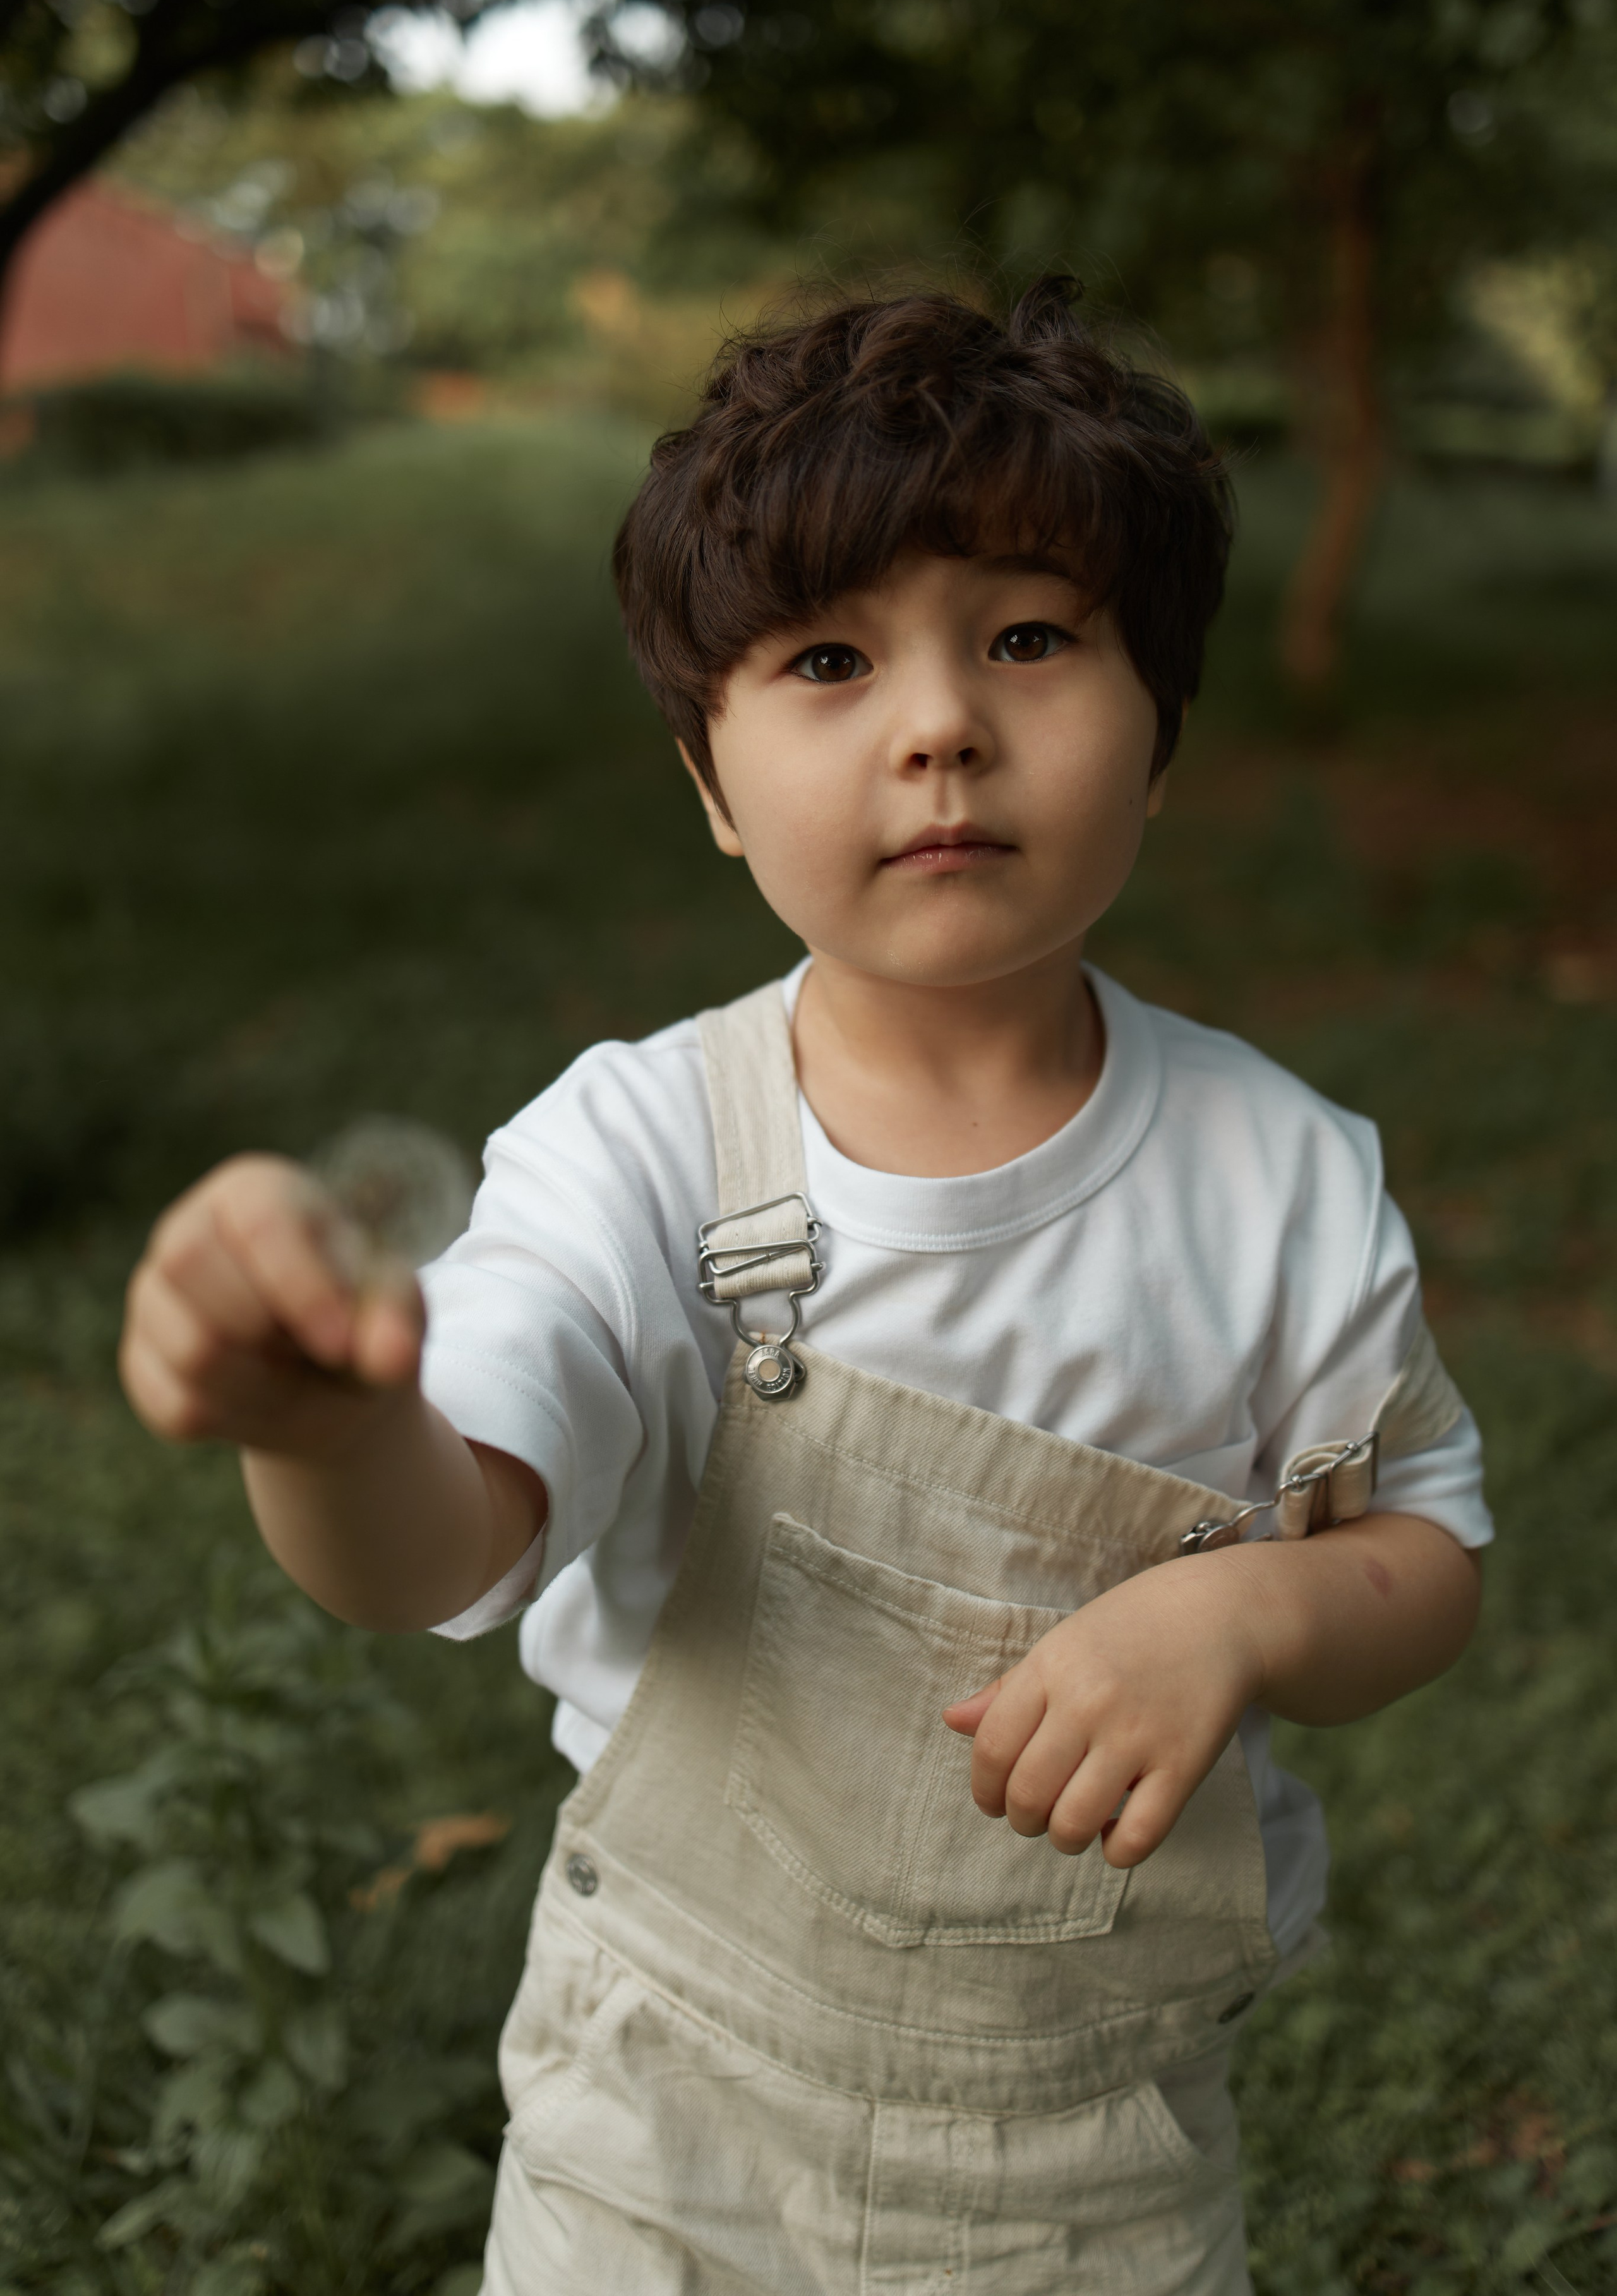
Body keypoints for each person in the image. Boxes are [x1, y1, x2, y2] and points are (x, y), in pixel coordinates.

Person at [120, 280, 1490, 2294]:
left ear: (1160, 734)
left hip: (1095, 2164)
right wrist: (337, 1430)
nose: (942, 723)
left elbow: (1429, 1554)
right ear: (708, 782)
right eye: (832, 661)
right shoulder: (638, 1155)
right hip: (661, 2119)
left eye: (1028, 638)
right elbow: (436, 1543)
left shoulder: (1281, 1178)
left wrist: (1263, 1603)